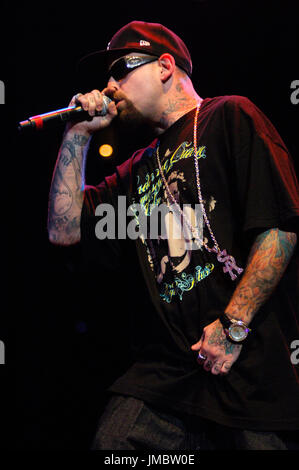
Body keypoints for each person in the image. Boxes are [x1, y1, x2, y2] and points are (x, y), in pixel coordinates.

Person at [47, 21, 299, 450]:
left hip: (245, 362)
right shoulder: (135, 170)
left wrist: (233, 324)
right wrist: (76, 136)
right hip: (165, 375)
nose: (108, 87)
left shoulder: (229, 116)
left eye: (120, 69)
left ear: (165, 66)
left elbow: (279, 228)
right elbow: (64, 231)